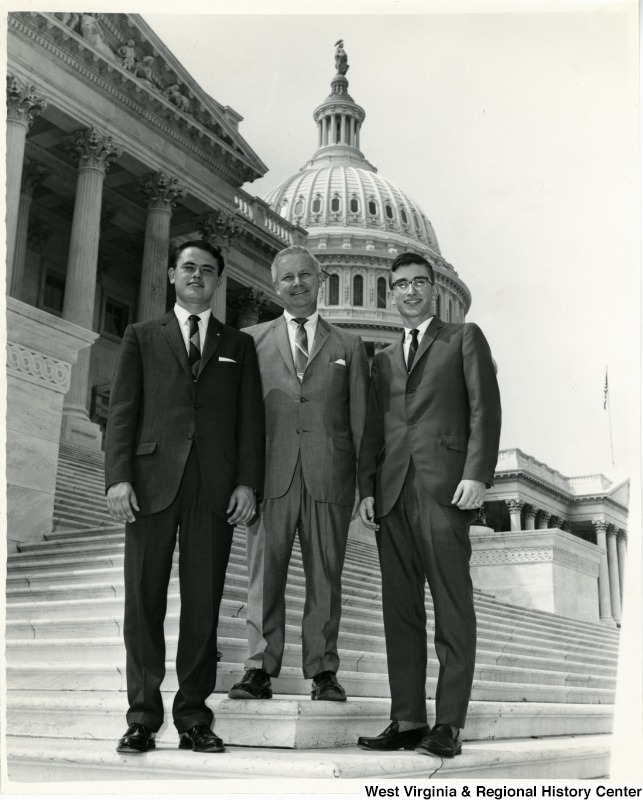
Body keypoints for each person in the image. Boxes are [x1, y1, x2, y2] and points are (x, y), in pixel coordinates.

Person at [105, 240, 265, 754]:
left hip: (213, 490)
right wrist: (118, 476)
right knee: (142, 603)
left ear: (218, 280)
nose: (198, 276)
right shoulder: (141, 336)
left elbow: (250, 423)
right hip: (150, 485)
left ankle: (194, 716)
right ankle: (142, 717)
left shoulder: (238, 345)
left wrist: (246, 482)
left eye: (208, 270)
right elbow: (122, 412)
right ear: (172, 274)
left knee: (203, 605)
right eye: (189, 267)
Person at [356, 252, 501, 758]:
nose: (410, 292)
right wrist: (367, 488)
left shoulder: (462, 338)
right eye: (401, 285)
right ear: (389, 293)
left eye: (419, 283)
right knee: (400, 612)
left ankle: (450, 725)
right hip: (392, 494)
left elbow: (485, 408)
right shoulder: (383, 359)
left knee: (452, 608)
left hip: (444, 491)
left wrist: (478, 474)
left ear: (433, 290)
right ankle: (408, 718)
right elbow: (374, 429)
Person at [228, 245, 368, 703]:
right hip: (271, 477)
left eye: (306, 275)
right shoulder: (249, 340)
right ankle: (259, 669)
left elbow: (362, 421)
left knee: (325, 579)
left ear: (321, 279)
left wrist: (365, 487)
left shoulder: (349, 345)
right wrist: (241, 481)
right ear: (275, 286)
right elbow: (238, 418)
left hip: (330, 477)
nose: (298, 283)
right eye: (288, 277)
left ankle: (323, 671)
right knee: (262, 577)